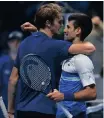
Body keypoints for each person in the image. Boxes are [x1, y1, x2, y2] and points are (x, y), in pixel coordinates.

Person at [8, 3, 95, 118]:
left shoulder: (23, 44)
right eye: (59, 22)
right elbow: (90, 48)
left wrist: (10, 111)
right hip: (45, 112)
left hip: (22, 111)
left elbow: (13, 80)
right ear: (48, 23)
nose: (62, 26)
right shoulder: (55, 45)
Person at [47, 13, 97, 118]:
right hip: (62, 114)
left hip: (76, 115)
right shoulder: (67, 57)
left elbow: (92, 93)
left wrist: (63, 96)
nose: (65, 31)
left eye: (68, 27)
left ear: (78, 31)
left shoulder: (82, 60)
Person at [0, 31, 23, 118]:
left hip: (22, 107)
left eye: (19, 41)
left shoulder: (28, 61)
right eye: (13, 41)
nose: (16, 44)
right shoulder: (2, 62)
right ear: (9, 43)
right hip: (4, 107)